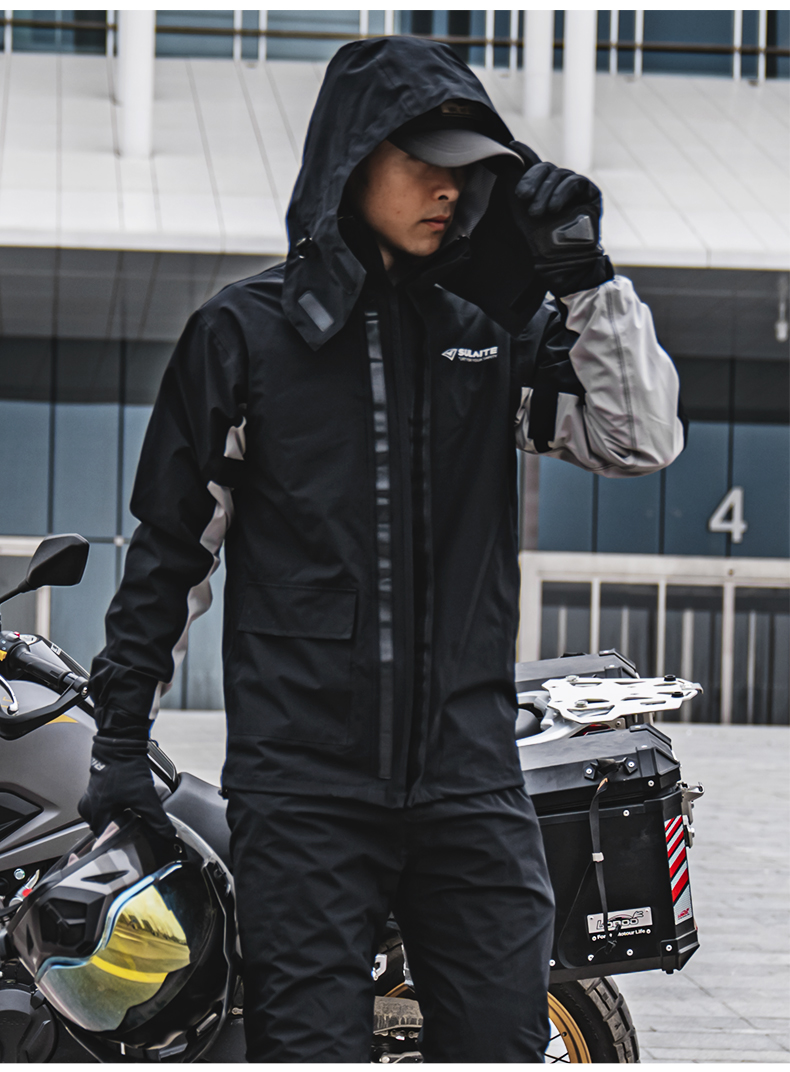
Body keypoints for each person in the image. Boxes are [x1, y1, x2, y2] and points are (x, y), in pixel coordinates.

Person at [79, 36, 685, 1063]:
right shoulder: (244, 337)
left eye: (466, 170)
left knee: (500, 1044)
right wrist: (120, 736)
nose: (448, 189)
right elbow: (173, 550)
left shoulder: (491, 333)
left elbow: (640, 437)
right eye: (423, 164)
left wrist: (588, 282)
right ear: (353, 163)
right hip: (305, 791)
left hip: (469, 781)